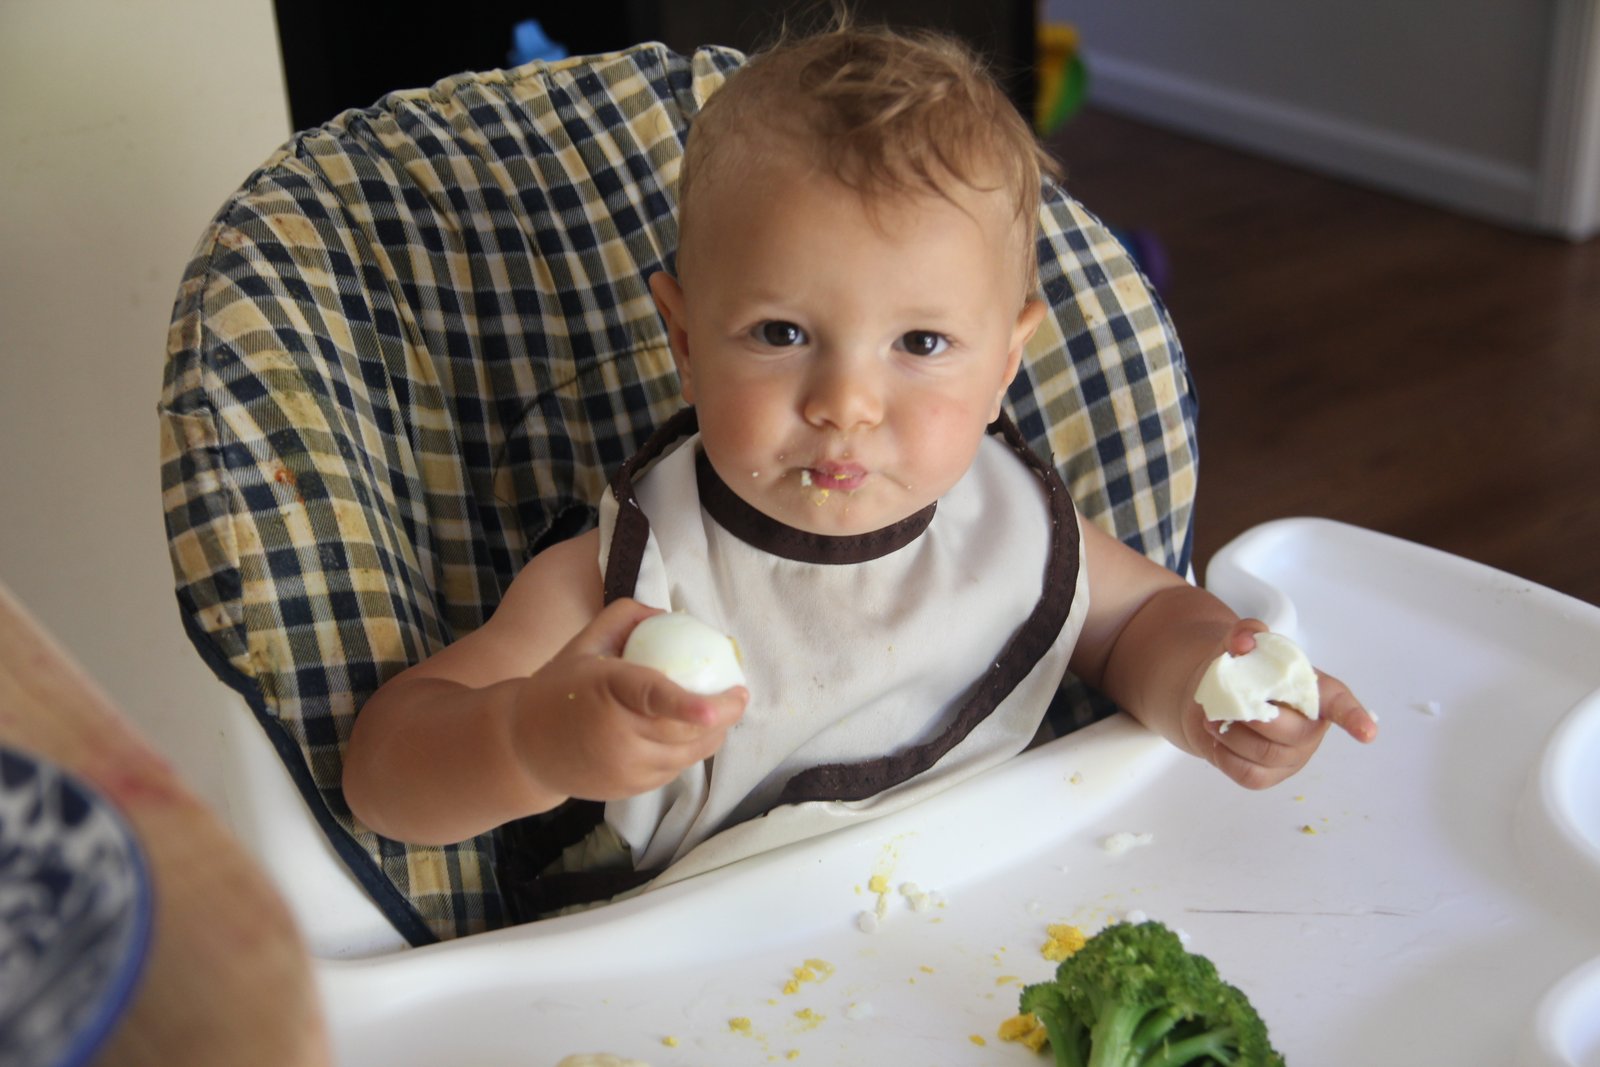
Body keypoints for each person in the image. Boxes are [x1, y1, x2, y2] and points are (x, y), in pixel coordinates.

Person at [342, 24, 1377, 915]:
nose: (845, 402)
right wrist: (531, 740)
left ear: (1004, 362)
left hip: (983, 924)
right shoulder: (624, 579)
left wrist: (1215, 686)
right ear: (687, 340)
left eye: (920, 343)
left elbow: (1143, 619)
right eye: (781, 332)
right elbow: (385, 771)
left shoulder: (1007, 525)